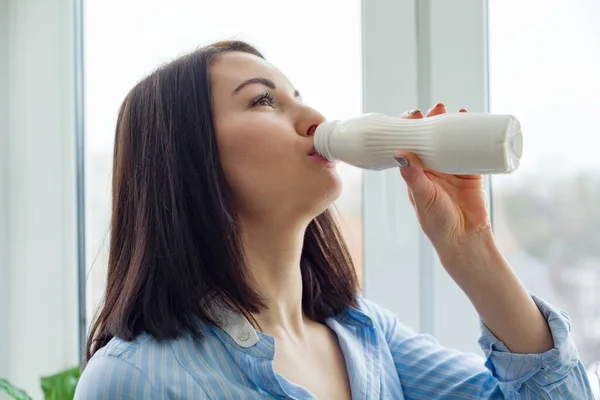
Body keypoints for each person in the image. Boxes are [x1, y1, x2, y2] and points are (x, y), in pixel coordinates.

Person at [74, 40, 593, 399]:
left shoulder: (364, 335)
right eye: (262, 101)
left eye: (297, 96)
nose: (315, 118)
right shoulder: (135, 380)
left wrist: (472, 249)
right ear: (187, 159)